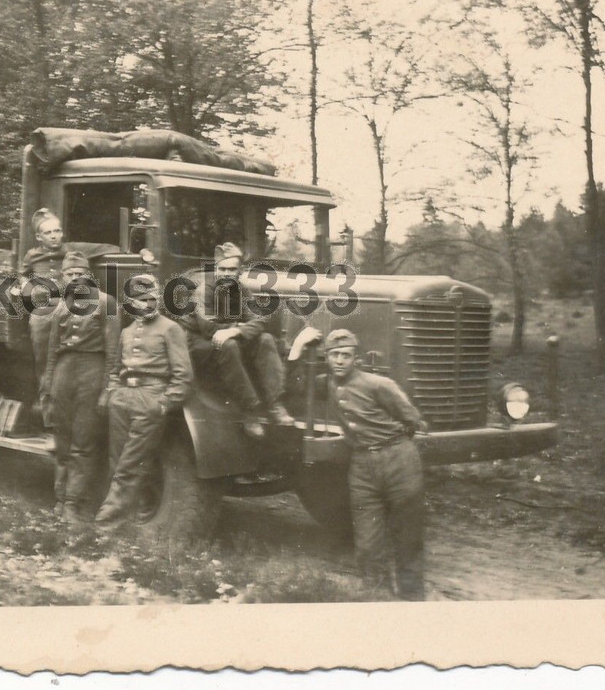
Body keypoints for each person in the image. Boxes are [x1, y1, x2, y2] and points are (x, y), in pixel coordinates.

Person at [313, 327, 429, 600]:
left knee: (408, 535)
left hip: (398, 460)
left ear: (357, 359)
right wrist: (298, 348)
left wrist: (394, 445)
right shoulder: (326, 383)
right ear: (327, 358)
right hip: (362, 465)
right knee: (367, 541)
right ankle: (377, 598)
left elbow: (411, 418)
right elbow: (294, 382)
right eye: (334, 355)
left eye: (346, 355)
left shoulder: (379, 385)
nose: (340, 361)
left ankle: (413, 598)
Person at [95, 274, 193, 527]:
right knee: (117, 460)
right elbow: (116, 369)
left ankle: (107, 521)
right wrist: (114, 392)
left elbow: (183, 375)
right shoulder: (127, 332)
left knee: (130, 461)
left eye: (152, 299)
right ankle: (133, 514)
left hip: (150, 398)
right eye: (141, 300)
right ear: (131, 303)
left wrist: (164, 403)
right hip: (123, 399)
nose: (148, 305)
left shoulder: (170, 329)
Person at [178, 241, 294, 434]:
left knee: (265, 339)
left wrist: (235, 330)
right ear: (216, 270)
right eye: (222, 269)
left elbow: (260, 321)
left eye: (231, 269)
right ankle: (249, 410)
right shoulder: (204, 291)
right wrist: (237, 328)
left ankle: (275, 404)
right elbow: (208, 328)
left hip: (226, 336)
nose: (226, 274)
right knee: (229, 346)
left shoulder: (242, 291)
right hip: (198, 343)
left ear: (239, 272)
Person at [40, 252, 120, 523]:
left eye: (79, 273)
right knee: (62, 441)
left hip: (92, 370)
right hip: (64, 371)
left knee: (83, 442)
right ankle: (60, 499)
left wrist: (107, 389)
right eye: (69, 274)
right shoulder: (60, 307)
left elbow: (112, 353)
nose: (75, 278)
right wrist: (49, 387)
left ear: (89, 275)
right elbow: (52, 351)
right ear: (63, 278)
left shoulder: (106, 303)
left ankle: (74, 504)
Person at [19, 208, 118, 379]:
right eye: (48, 232)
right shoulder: (32, 255)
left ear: (62, 233)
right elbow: (21, 273)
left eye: (57, 231)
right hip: (44, 310)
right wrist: (27, 285)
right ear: (39, 237)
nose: (53, 236)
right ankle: (45, 391)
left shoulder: (73, 248)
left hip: (69, 308)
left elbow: (111, 248)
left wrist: (143, 252)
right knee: (42, 352)